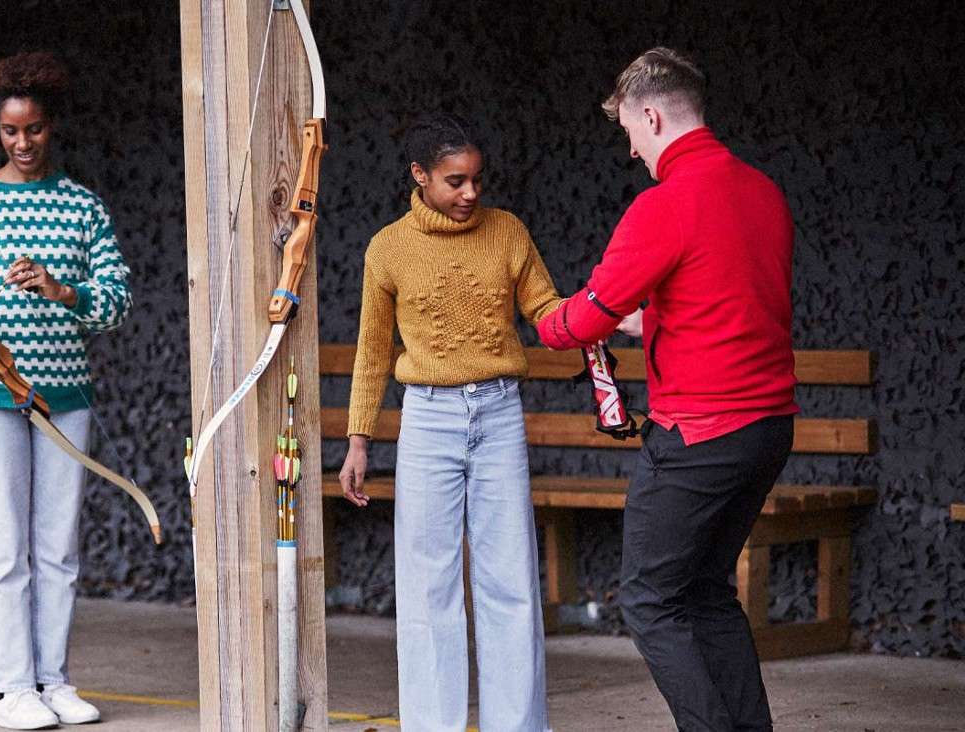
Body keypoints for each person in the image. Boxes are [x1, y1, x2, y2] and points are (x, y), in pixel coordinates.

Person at [537, 47, 797, 731]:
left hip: (699, 437)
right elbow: (734, 299)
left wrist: (547, 318)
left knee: (651, 601)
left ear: (651, 114)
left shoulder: (665, 204)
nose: (631, 151)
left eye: (629, 132)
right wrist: (652, 320)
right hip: (768, 428)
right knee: (707, 592)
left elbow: (582, 318)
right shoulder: (763, 192)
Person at [339, 112, 561, 731]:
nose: (470, 194)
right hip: (427, 422)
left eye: (477, 181)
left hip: (498, 411)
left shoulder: (508, 232)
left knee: (510, 581)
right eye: (455, 181)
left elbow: (545, 308)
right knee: (427, 588)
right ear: (420, 176)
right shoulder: (387, 248)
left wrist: (595, 317)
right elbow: (372, 350)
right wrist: (359, 441)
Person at [0, 51, 132, 730]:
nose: (22, 144)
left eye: (35, 131)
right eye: (10, 132)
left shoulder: (83, 207)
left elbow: (115, 302)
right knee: (6, 546)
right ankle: (10, 689)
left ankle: (53, 680)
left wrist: (58, 288)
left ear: (54, 127)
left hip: (63, 394)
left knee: (58, 547)